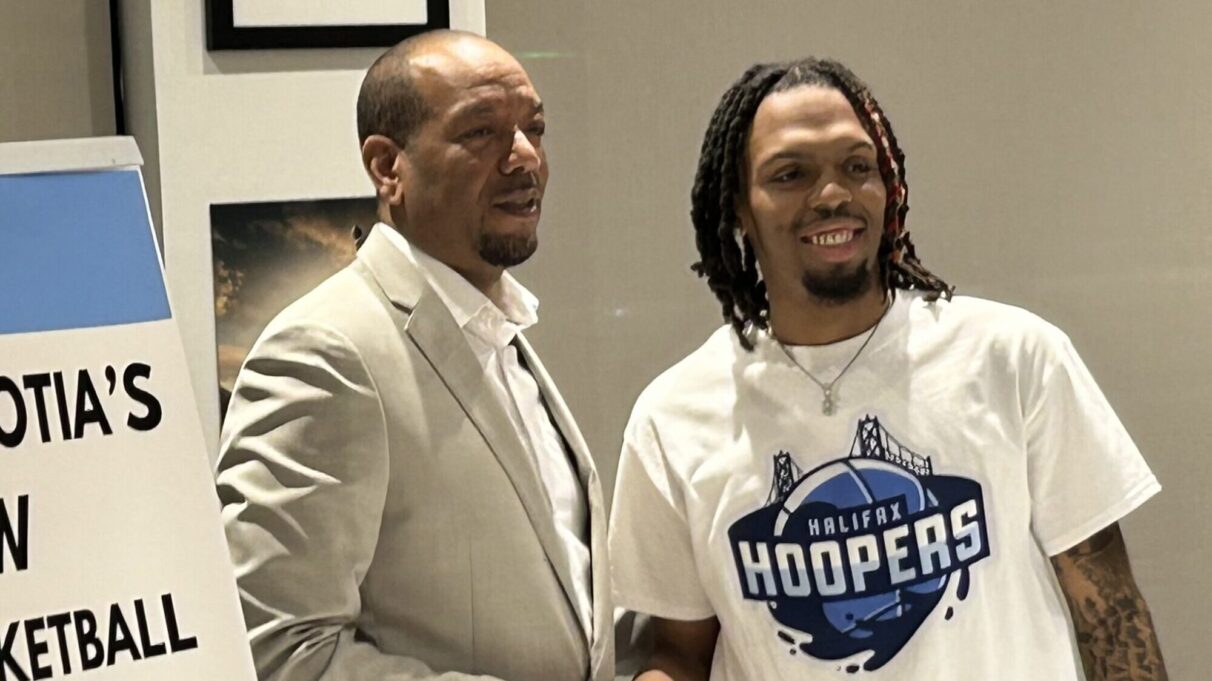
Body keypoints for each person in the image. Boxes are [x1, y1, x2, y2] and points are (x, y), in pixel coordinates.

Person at [608, 58, 1167, 680]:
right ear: (738, 206)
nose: (832, 196)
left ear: (890, 184)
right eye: (790, 174)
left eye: (857, 166)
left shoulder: (1013, 357)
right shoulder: (673, 417)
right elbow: (679, 655)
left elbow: (1111, 614)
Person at [215, 30, 614, 681]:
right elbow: (284, 653)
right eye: (482, 133)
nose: (524, 159)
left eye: (534, 129)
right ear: (386, 166)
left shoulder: (497, 332)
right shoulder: (325, 351)